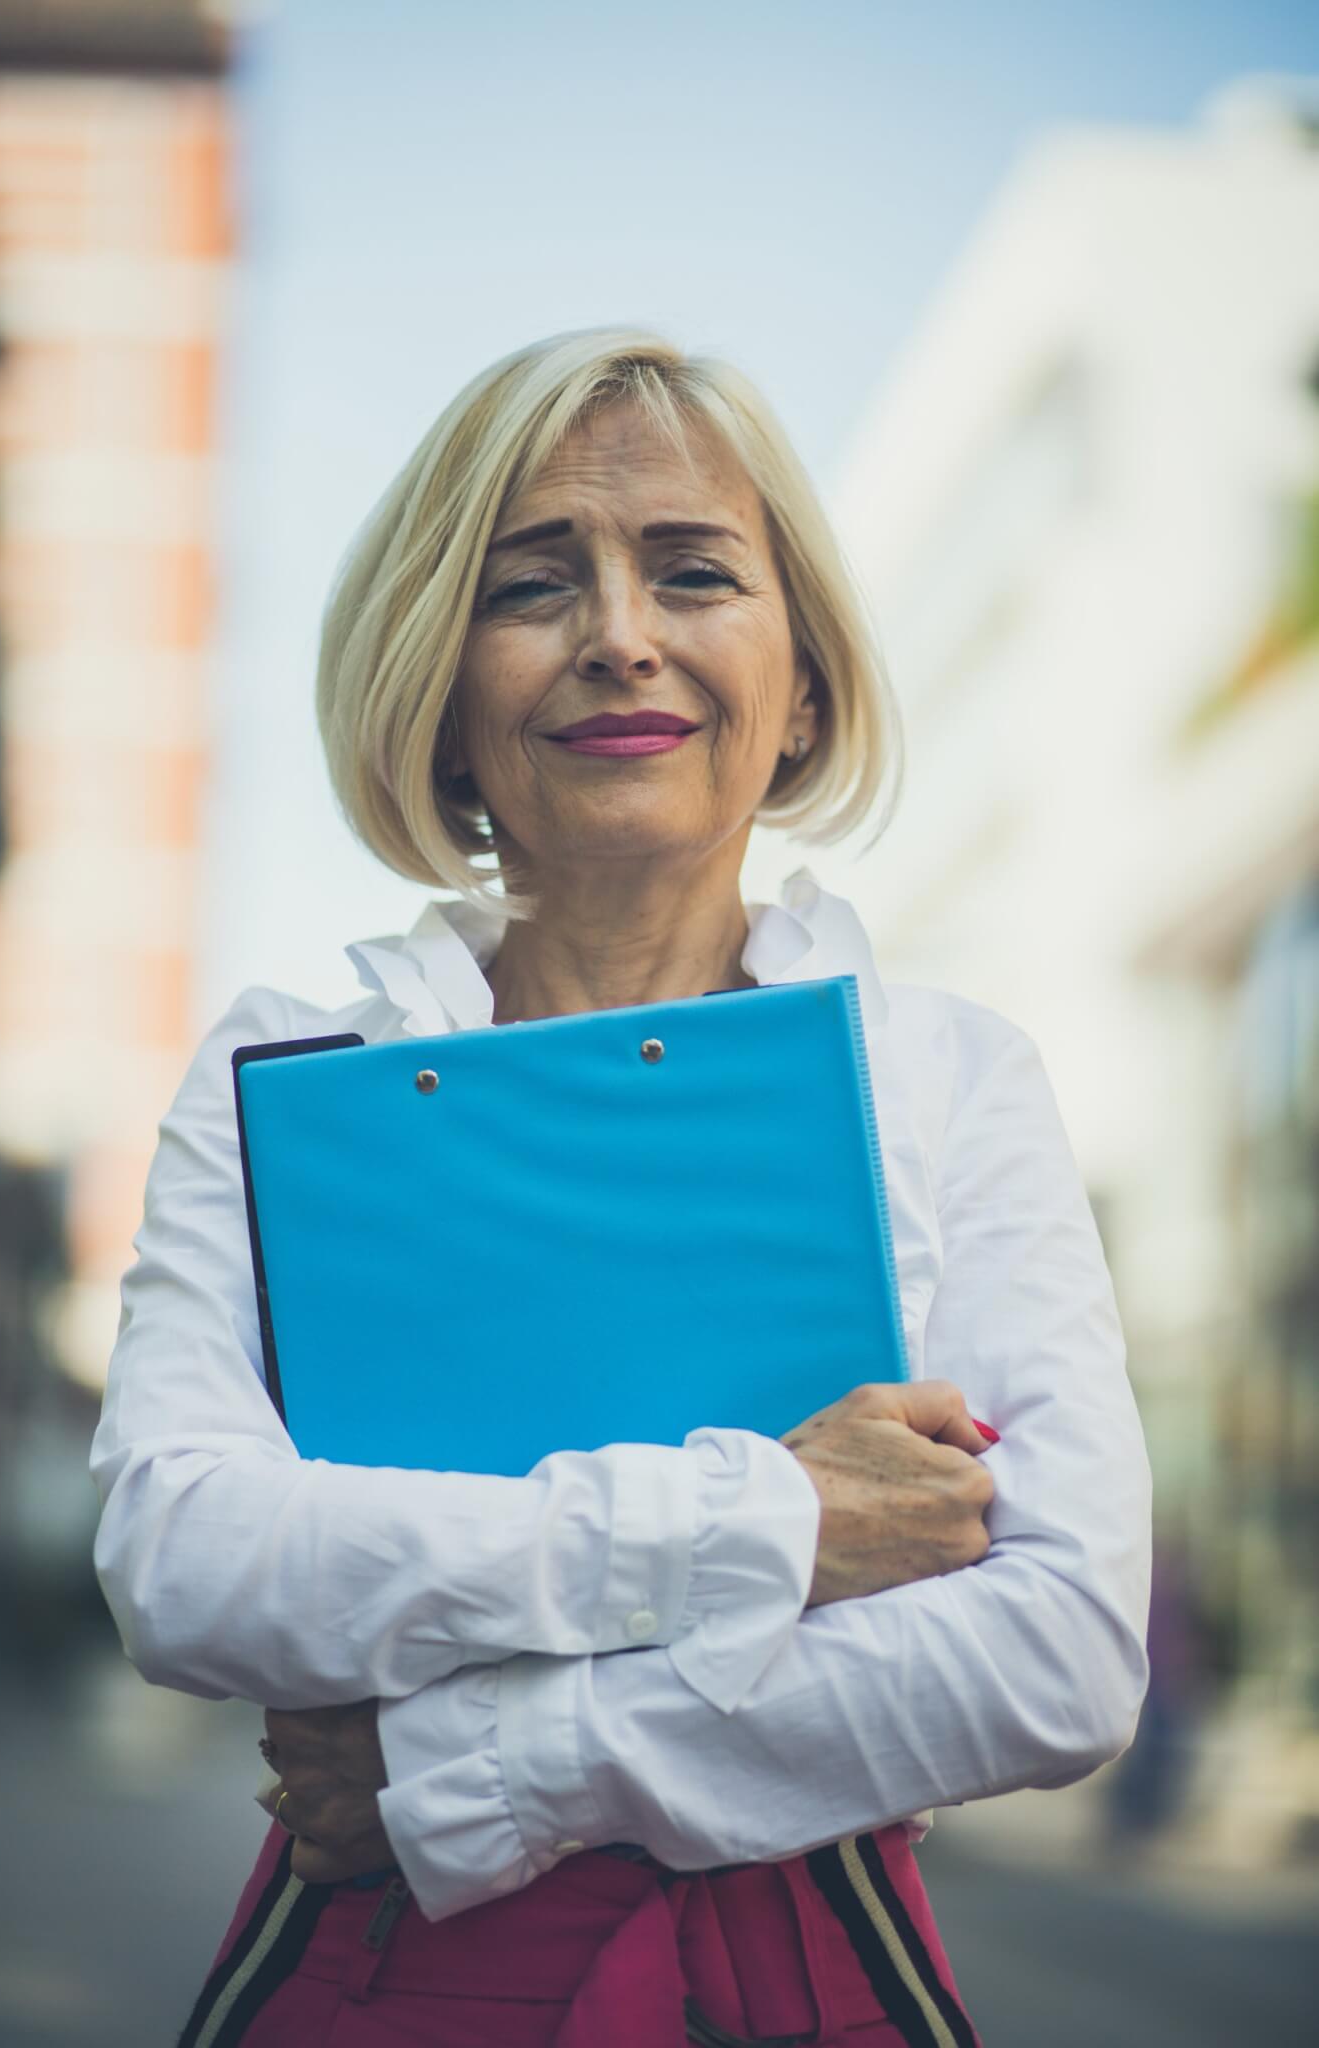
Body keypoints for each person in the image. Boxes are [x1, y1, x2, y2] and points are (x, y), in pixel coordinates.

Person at [89, 327, 1152, 2047]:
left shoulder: (952, 1074)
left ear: (800, 681)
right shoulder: (288, 1071)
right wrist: (777, 1525)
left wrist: (478, 1766)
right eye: (532, 585)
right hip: (370, 1979)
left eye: (692, 569)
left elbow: (1056, 1652)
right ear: (439, 685)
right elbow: (188, 1558)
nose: (619, 635)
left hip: (800, 1978)